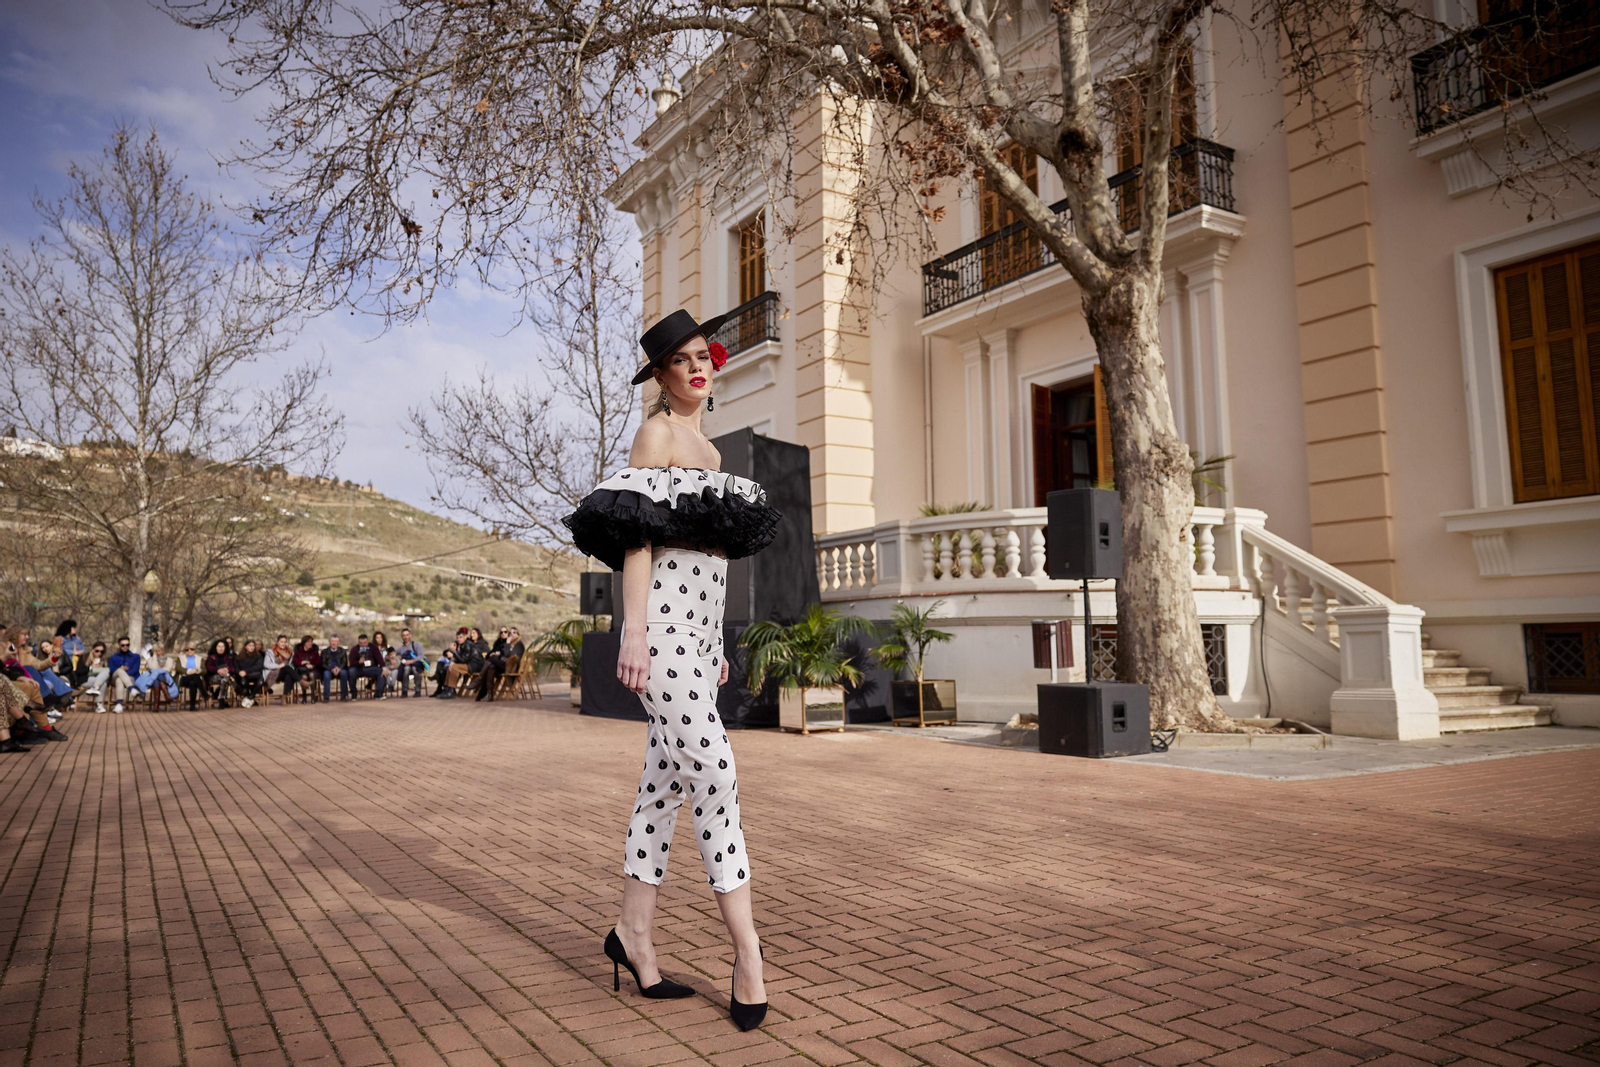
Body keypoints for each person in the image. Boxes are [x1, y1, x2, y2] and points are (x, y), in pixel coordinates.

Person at [563, 309, 782, 1029]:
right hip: (658, 633)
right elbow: (639, 538)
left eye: (702, 358)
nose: (696, 369)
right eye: (681, 361)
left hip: (696, 637)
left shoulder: (710, 453)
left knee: (663, 790)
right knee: (715, 774)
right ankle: (748, 955)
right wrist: (634, 633)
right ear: (660, 375)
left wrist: (714, 639)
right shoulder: (655, 434)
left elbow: (713, 560)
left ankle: (633, 935)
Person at [477, 626, 525, 702]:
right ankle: (489, 695)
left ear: (518, 634)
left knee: (492, 660)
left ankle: (478, 682)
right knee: (491, 667)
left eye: (514, 632)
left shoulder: (519, 644)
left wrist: (507, 644)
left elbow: (510, 656)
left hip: (511, 668)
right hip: (504, 665)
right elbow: (505, 655)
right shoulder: (509, 644)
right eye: (510, 632)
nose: (511, 634)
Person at [444, 626, 488, 695]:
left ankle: (451, 690)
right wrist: (452, 660)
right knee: (450, 667)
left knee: (454, 667)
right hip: (470, 664)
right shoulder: (462, 644)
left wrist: (454, 652)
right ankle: (447, 689)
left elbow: (463, 660)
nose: (459, 639)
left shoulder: (467, 645)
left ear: (465, 637)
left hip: (475, 665)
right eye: (457, 638)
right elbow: (461, 658)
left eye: (461, 637)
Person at [108, 637, 143, 714]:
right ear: (118, 645)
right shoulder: (113, 657)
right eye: (123, 645)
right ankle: (132, 689)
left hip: (130, 678)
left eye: (127, 645)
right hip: (114, 677)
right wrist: (121, 670)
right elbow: (111, 670)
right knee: (119, 671)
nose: (125, 647)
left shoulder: (135, 657)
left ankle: (119, 704)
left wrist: (123, 674)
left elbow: (135, 670)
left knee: (119, 680)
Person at [348, 634, 387, 698]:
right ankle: (354, 693)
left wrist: (384, 667)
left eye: (365, 643)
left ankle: (378, 694)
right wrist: (358, 662)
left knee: (381, 672)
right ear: (358, 642)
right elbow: (351, 663)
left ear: (368, 641)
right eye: (361, 643)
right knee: (351, 671)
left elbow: (379, 658)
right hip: (359, 668)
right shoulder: (354, 649)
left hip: (371, 668)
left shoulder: (373, 647)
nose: (363, 645)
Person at [204, 639, 237, 708]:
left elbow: (233, 668)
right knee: (226, 678)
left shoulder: (229, 657)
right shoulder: (211, 657)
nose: (221, 648)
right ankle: (237, 688)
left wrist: (227, 670)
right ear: (216, 647)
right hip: (214, 677)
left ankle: (221, 698)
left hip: (225, 677)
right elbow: (208, 667)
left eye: (222, 646)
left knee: (224, 680)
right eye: (219, 646)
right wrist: (218, 670)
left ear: (225, 648)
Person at [396, 627, 426, 697]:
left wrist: (410, 661)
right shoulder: (401, 648)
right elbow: (392, 653)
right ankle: (404, 690)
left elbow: (421, 656)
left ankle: (418, 690)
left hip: (417, 665)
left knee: (414, 669)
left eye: (407, 635)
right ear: (402, 637)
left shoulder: (416, 645)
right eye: (404, 635)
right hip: (406, 667)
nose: (405, 637)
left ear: (410, 635)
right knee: (406, 669)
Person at [175, 646, 207, 710]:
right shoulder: (180, 658)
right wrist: (188, 671)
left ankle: (192, 706)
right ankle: (204, 693)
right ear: (185, 651)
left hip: (196, 680)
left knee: (193, 683)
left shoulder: (200, 659)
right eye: (187, 649)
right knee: (195, 676)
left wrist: (197, 670)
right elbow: (178, 668)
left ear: (194, 650)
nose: (189, 651)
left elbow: (204, 670)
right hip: (184, 678)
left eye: (191, 649)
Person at [82, 643, 110, 711]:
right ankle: (99, 705)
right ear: (92, 649)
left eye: (102, 652)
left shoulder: (104, 660)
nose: (99, 653)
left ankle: (95, 688)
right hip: (85, 679)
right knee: (103, 682)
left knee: (106, 673)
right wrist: (91, 668)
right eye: (97, 651)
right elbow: (79, 671)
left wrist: (101, 668)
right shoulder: (84, 657)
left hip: (98, 680)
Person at [237, 639, 266, 705]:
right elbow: (237, 666)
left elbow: (258, 667)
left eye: (253, 646)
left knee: (260, 681)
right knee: (243, 682)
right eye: (250, 645)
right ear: (245, 646)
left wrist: (246, 671)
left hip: (254, 675)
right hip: (243, 676)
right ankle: (249, 697)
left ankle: (251, 697)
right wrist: (239, 672)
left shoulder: (258, 656)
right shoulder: (240, 656)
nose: (251, 647)